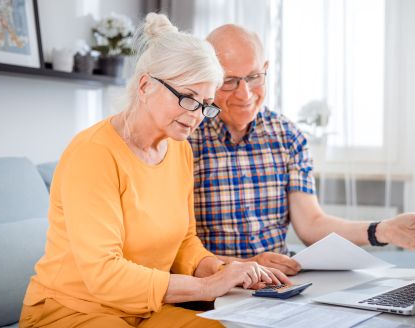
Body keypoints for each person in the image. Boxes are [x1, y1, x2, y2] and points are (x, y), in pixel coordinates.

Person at [19, 14, 289, 328]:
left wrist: (225, 270)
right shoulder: (93, 153)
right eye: (188, 99)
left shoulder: (178, 149)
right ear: (146, 85)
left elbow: (186, 243)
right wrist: (206, 287)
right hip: (71, 310)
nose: (198, 116)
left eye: (205, 104)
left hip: (144, 309)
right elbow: (103, 275)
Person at [188, 24, 415, 276]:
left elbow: (311, 224)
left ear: (265, 70)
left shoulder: (287, 136)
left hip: (278, 285)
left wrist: (383, 230)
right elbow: (180, 249)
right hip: (214, 286)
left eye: (254, 77)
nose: (244, 94)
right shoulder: (187, 139)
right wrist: (240, 266)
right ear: (209, 80)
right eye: (229, 81)